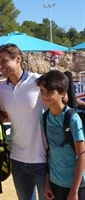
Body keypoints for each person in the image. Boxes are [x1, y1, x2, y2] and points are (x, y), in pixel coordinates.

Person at [0, 43, 47, 200]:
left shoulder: (39, 82)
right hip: (17, 160)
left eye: (4, 60)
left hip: (43, 159)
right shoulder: (2, 89)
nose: (0, 65)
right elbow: (6, 115)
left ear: (18, 59)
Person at [35, 70, 85, 200]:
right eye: (42, 91)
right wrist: (47, 183)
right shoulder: (44, 118)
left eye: (50, 92)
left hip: (76, 185)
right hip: (55, 183)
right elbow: (50, 151)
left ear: (62, 93)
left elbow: (82, 155)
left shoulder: (72, 119)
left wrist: (74, 191)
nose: (44, 96)